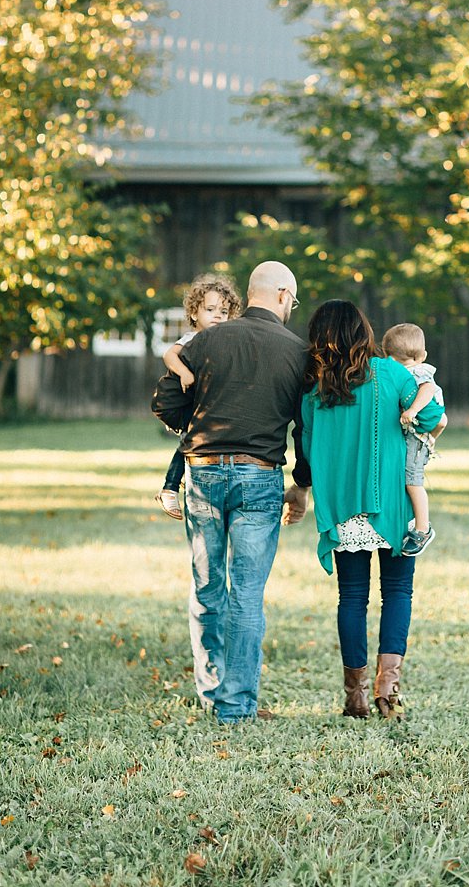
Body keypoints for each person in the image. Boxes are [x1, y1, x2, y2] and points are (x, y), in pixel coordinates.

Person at [176, 261, 311, 724]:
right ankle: (235, 707)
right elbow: (304, 429)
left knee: (207, 586)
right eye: (292, 301)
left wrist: (199, 420)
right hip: (260, 477)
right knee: (246, 595)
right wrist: (302, 486)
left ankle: (211, 692)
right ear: (279, 294)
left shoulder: (206, 341)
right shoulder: (298, 351)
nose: (292, 308)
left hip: (204, 474)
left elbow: (165, 401)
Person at [300, 300, 444, 720]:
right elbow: (433, 415)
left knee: (352, 598)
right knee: (397, 592)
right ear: (365, 332)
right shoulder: (393, 373)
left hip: (343, 507)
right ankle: (388, 689)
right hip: (393, 505)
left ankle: (355, 695)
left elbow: (307, 448)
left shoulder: (317, 389)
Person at [154, 272, 242, 520]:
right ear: (194, 313)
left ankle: (179, 485)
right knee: (189, 441)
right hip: (191, 401)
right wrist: (184, 373)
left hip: (208, 405)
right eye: (210, 309)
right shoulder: (193, 338)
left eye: (223, 312)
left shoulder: (226, 341)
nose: (217, 316)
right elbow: (169, 355)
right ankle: (169, 487)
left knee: (194, 443)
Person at [382, 323, 448, 556]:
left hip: (417, 434)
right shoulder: (407, 371)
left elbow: (428, 390)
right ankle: (430, 445)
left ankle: (422, 529)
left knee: (413, 481)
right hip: (419, 434)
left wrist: (412, 411)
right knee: (407, 477)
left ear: (387, 355)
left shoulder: (419, 373)